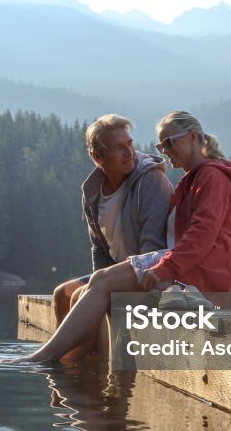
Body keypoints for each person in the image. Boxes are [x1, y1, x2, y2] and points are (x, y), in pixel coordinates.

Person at [14, 111, 231, 363]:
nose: (164, 150)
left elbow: (200, 236)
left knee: (101, 283)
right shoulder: (191, 181)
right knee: (87, 286)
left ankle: (48, 358)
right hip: (187, 273)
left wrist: (163, 270)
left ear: (192, 138)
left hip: (210, 284)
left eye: (169, 142)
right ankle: (71, 368)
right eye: (160, 144)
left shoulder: (210, 177)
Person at [51, 114, 173, 357]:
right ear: (98, 157)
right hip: (118, 272)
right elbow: (99, 247)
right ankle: (71, 372)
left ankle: (87, 371)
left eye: (130, 143)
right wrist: (102, 280)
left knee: (83, 295)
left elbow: (153, 249)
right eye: (119, 147)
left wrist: (110, 284)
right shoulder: (93, 190)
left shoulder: (151, 180)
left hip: (152, 276)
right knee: (62, 294)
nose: (130, 152)